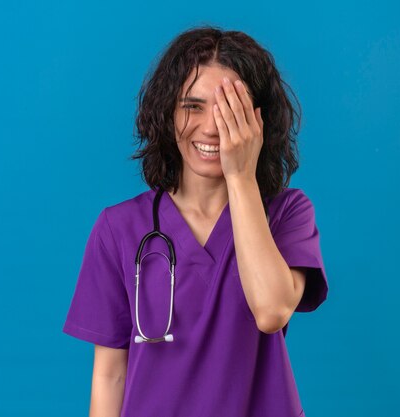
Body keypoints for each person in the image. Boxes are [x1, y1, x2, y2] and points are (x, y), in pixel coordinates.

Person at [62, 25, 329, 417]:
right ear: (167, 113)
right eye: (193, 106)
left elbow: (272, 311)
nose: (209, 128)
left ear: (258, 121)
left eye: (228, 111)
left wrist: (240, 176)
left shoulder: (288, 213)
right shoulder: (118, 229)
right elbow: (110, 375)